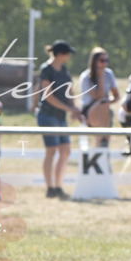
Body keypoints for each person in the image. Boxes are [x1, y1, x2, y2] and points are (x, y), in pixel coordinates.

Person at [35, 40, 84, 200]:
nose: (69, 57)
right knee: (52, 150)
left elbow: (70, 91)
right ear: (60, 54)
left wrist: (74, 108)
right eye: (67, 54)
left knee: (65, 151)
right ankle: (50, 188)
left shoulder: (64, 70)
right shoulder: (46, 69)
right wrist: (69, 109)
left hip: (61, 117)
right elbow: (48, 96)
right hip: (47, 115)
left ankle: (58, 186)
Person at [77, 47, 120, 147]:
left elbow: (117, 96)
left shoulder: (109, 74)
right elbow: (98, 96)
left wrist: (107, 102)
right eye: (102, 60)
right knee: (103, 103)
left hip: (104, 110)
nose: (104, 63)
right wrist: (100, 77)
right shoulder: (86, 77)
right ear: (94, 61)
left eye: (106, 60)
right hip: (88, 111)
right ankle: (102, 140)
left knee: (105, 106)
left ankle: (103, 144)